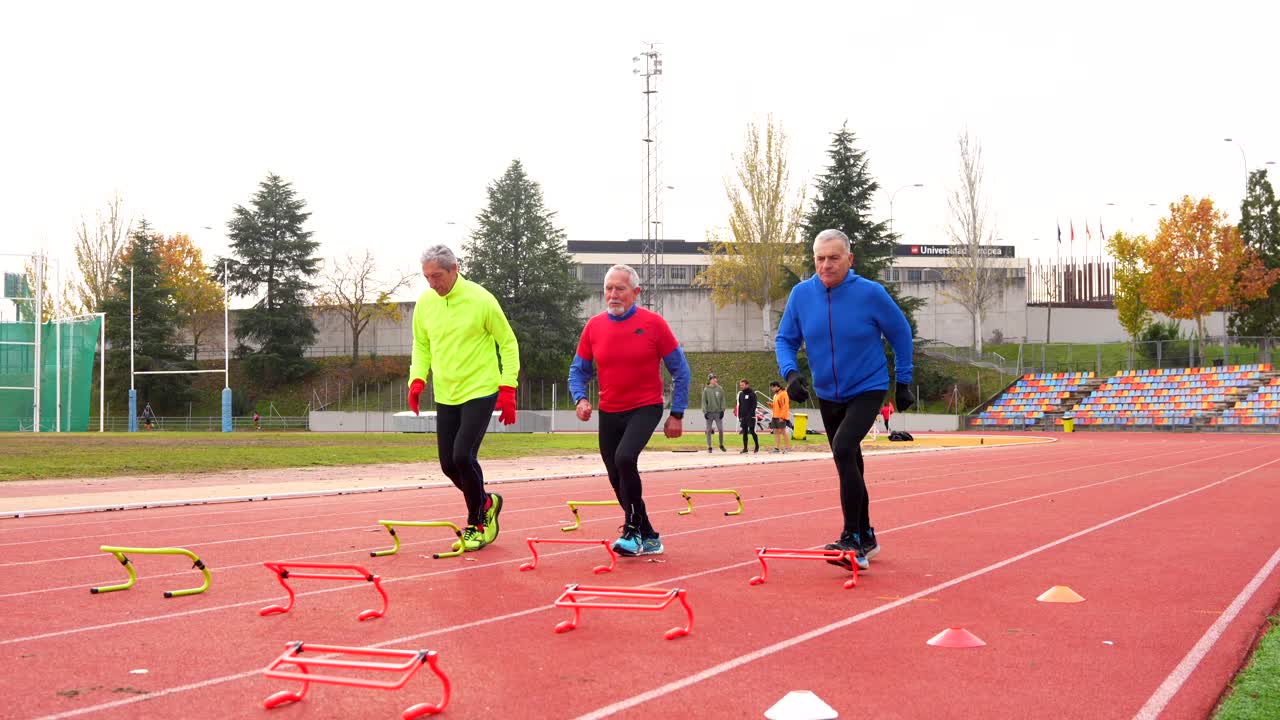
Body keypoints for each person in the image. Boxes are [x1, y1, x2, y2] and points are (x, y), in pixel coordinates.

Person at [777, 228, 914, 571]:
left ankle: (851, 537)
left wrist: (905, 380)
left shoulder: (871, 294)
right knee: (848, 460)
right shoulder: (801, 295)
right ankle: (866, 535)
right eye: (820, 258)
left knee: (842, 448)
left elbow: (901, 333)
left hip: (868, 386)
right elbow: (785, 339)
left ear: (849, 260)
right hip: (827, 392)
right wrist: (791, 373)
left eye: (834, 258)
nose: (826, 265)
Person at [569, 264, 690, 557]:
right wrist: (580, 399)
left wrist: (677, 413)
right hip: (610, 410)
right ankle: (649, 535)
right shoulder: (594, 327)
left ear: (635, 293)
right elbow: (578, 370)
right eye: (608, 289)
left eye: (619, 289)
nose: (613, 295)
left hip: (645, 407)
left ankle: (632, 531)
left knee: (625, 459)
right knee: (615, 476)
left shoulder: (654, 324)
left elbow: (681, 370)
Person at [408, 245, 519, 553]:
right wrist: (417, 379)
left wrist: (507, 387)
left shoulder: (481, 299)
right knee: (447, 464)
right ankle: (485, 501)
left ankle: (477, 523)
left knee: (462, 456)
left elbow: (507, 343)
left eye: (438, 276)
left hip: (481, 389)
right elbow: (422, 346)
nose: (433, 283)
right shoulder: (426, 303)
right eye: (427, 277)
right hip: (446, 392)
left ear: (454, 269)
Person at [702, 373, 727, 453]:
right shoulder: (706, 390)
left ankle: (721, 444)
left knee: (720, 429)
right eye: (713, 378)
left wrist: (722, 410)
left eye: (715, 378)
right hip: (709, 413)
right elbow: (704, 401)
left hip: (718, 413)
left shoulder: (720, 389)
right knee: (708, 430)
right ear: (710, 380)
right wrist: (705, 412)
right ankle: (709, 446)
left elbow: (723, 400)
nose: (715, 380)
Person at [735, 379, 760, 454]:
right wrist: (739, 416)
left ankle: (757, 446)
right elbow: (740, 405)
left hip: (751, 416)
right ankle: (745, 448)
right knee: (744, 432)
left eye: (742, 385)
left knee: (752, 431)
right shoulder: (741, 394)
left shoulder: (752, 394)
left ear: (747, 385)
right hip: (743, 416)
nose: (741, 386)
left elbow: (754, 405)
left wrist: (750, 415)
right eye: (740, 385)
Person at [768, 381, 791, 454]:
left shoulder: (784, 394)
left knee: (783, 432)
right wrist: (771, 405)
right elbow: (777, 406)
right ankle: (777, 448)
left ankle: (787, 448)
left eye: (772, 387)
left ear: (776, 386)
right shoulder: (775, 395)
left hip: (781, 416)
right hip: (775, 415)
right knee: (776, 432)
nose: (772, 389)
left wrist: (782, 417)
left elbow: (785, 406)